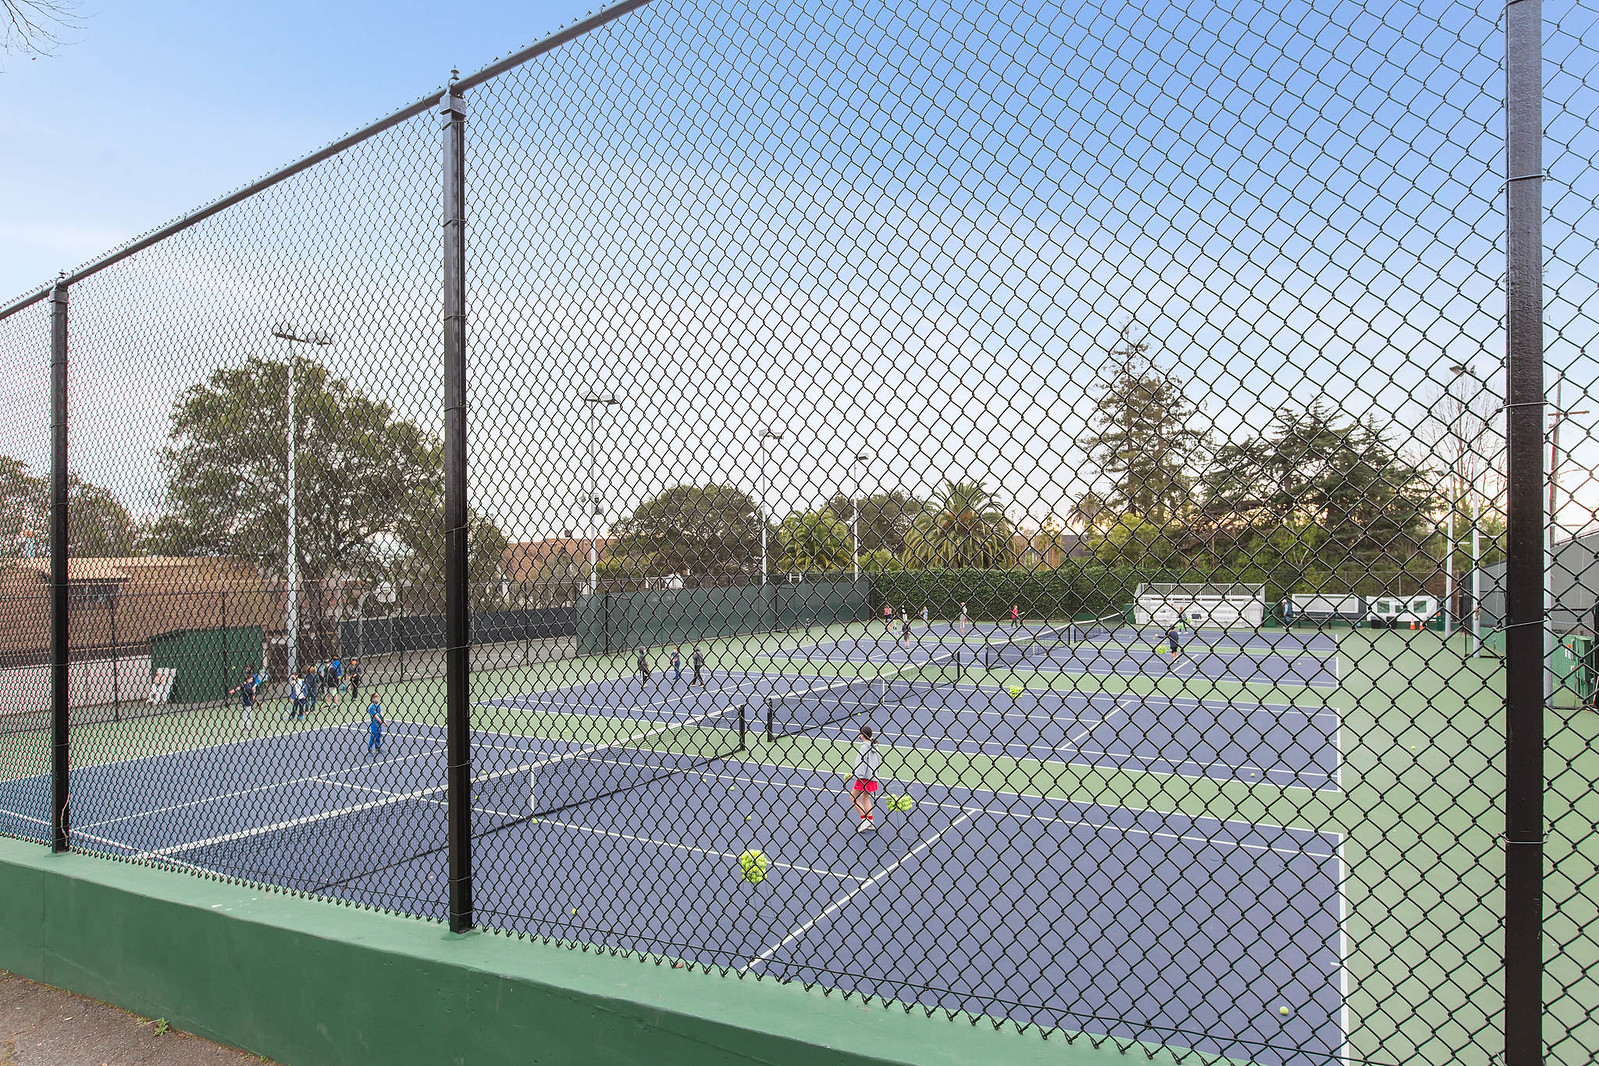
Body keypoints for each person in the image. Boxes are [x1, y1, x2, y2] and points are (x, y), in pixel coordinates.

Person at [851, 726, 882, 832]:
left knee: (853, 798)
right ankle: (871, 821)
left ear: (861, 735)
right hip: (872, 777)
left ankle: (864, 820)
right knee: (865, 798)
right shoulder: (874, 746)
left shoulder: (864, 747)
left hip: (864, 777)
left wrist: (854, 775)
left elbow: (861, 765)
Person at [228, 668, 257, 734]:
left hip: (247, 702)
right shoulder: (247, 686)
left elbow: (239, 688)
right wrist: (253, 691)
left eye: (252, 679)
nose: (251, 680)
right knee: (247, 715)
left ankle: (246, 728)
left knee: (247, 715)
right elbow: (250, 692)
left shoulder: (246, 685)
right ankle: (246, 728)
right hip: (247, 702)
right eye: (250, 679)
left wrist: (234, 690)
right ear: (247, 679)